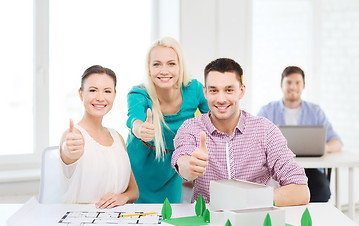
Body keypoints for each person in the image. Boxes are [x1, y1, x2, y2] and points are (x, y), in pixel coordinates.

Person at [172, 58, 310, 207]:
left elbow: (301, 191)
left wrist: (246, 200)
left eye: (229, 90)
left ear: (242, 91)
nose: (221, 99)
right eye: (213, 90)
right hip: (207, 223)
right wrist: (191, 167)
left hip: (256, 220)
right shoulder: (190, 128)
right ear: (205, 92)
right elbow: (182, 160)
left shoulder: (265, 130)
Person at [126, 37, 209, 203]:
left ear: (180, 66)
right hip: (136, 171)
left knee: (168, 220)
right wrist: (140, 129)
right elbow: (133, 119)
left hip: (170, 171)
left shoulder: (194, 89)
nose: (164, 70)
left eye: (171, 64)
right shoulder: (138, 93)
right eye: (157, 64)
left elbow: (213, 117)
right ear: (149, 69)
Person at [257, 66, 342, 202]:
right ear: (281, 85)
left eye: (297, 83)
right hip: (277, 170)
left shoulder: (315, 111)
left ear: (303, 86)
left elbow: (336, 142)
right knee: (268, 190)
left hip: (310, 169)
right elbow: (256, 140)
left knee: (322, 190)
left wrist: (322, 148)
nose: (293, 87)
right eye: (289, 82)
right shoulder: (267, 111)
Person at [60, 65, 138, 208]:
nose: (100, 98)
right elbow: (68, 151)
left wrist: (123, 197)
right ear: (81, 93)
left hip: (118, 221)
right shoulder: (72, 135)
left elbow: (134, 191)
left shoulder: (118, 137)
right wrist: (68, 150)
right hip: (80, 223)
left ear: (114, 95)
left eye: (107, 91)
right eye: (93, 90)